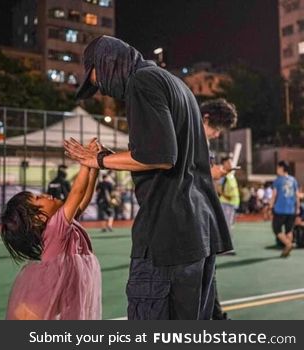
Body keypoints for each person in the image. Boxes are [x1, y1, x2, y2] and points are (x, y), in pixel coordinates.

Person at [65, 35, 232, 320]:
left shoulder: (142, 82)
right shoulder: (175, 84)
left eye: (95, 78)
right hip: (198, 232)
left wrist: (98, 159)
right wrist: (111, 156)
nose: (101, 89)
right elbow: (164, 153)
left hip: (166, 236)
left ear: (107, 63)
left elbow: (160, 157)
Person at [1, 139, 101, 320]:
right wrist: (86, 162)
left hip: (69, 278)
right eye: (39, 198)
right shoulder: (56, 227)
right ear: (38, 218)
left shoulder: (63, 223)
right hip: (58, 281)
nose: (46, 195)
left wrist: (94, 168)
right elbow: (76, 192)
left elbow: (83, 199)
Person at [200, 98, 238, 321]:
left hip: (203, 221)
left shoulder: (201, 142)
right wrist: (210, 173)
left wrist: (215, 174)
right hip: (191, 223)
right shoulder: (187, 137)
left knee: (208, 274)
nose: (217, 135)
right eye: (216, 128)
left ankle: (217, 316)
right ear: (205, 118)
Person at [269, 161, 299, 258]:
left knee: (276, 229)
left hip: (280, 209)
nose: (277, 170)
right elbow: (297, 195)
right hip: (291, 210)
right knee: (289, 230)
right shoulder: (293, 180)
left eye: (278, 168)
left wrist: (270, 206)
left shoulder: (277, 181)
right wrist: (297, 208)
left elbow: (274, 195)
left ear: (282, 168)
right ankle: (287, 250)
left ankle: (288, 244)